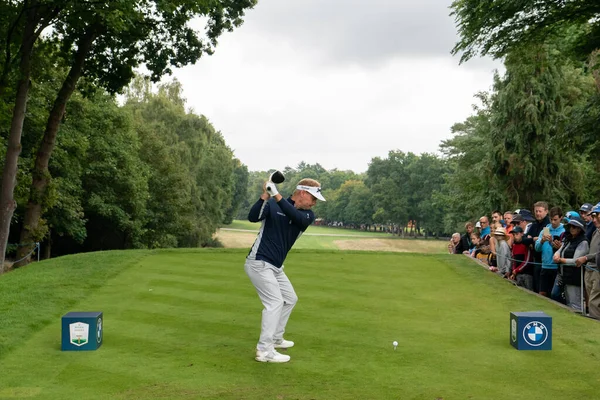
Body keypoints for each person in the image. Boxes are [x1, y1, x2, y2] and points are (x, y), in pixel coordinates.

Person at [245, 176, 326, 363]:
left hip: (276, 267)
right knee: (274, 302)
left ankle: (275, 338)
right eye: (313, 198)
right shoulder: (273, 206)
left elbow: (293, 215)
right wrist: (265, 196)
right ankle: (264, 350)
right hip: (259, 262)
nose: (314, 203)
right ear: (303, 193)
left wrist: (277, 195)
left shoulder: (307, 215)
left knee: (290, 299)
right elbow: (253, 217)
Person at [554, 216, 589, 312]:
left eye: (574, 227)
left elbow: (575, 261)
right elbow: (560, 250)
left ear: (579, 229)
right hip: (565, 275)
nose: (571, 229)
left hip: (575, 277)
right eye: (570, 226)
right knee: (567, 303)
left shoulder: (583, 242)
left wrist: (561, 260)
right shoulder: (568, 239)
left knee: (575, 305)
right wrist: (556, 255)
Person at [534, 206, 564, 298]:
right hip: (545, 266)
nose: (553, 222)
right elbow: (537, 248)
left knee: (554, 295)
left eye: (555, 220)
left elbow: (564, 249)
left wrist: (555, 245)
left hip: (556, 268)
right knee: (542, 294)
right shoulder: (545, 230)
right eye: (551, 219)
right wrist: (542, 241)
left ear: (560, 218)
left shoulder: (564, 231)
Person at [577, 203, 600, 319]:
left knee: (594, 302)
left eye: (596, 216)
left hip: (597, 270)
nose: (594, 220)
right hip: (590, 268)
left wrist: (586, 258)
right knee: (591, 300)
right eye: (593, 216)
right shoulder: (596, 231)